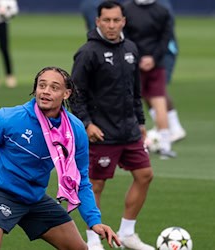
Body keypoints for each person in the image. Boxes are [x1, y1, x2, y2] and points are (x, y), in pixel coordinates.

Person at [0, 66, 121, 250]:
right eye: (42, 85)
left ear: (66, 93)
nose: (46, 91)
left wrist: (94, 222)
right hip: (0, 192)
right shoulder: (9, 117)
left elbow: (81, 180)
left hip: (34, 197)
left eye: (54, 87)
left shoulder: (75, 131)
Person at [70, 2, 155, 249]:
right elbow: (74, 94)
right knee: (95, 185)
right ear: (97, 21)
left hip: (129, 130)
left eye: (116, 20)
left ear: (123, 22)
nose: (111, 25)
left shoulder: (131, 48)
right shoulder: (87, 52)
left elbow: (135, 91)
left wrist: (140, 122)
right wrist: (86, 124)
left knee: (145, 175)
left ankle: (127, 233)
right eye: (106, 20)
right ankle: (93, 240)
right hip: (101, 133)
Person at [123, 0, 176, 159]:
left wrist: (138, 57)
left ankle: (133, 144)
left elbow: (125, 37)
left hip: (132, 61)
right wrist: (153, 58)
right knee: (159, 102)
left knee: (130, 101)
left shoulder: (126, 9)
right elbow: (165, 39)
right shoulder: (163, 10)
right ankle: (166, 145)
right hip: (156, 63)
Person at [148, 0, 186, 143]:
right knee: (148, 90)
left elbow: (163, 31)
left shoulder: (160, 6)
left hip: (162, 52)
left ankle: (172, 128)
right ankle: (167, 126)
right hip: (152, 52)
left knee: (156, 90)